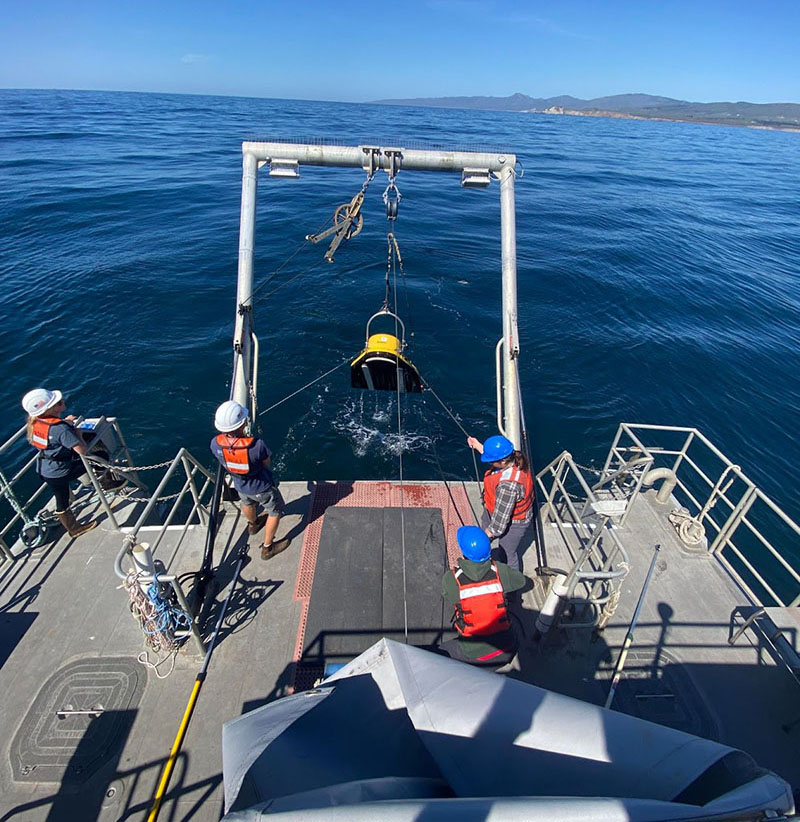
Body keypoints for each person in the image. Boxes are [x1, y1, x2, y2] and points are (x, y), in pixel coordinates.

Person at [21, 387, 124, 538]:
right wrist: (78, 434)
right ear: (50, 409)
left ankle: (74, 529)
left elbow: (52, 434)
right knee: (101, 456)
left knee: (61, 499)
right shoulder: (61, 429)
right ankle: (107, 484)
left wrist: (65, 422)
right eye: (58, 402)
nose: (62, 402)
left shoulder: (36, 423)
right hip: (62, 471)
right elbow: (82, 450)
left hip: (46, 469)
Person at [210, 400, 290, 561]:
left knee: (247, 503)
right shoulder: (257, 446)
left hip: (240, 486)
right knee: (275, 512)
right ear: (242, 424)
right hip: (261, 487)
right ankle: (268, 548)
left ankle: (253, 525)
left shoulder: (215, 444)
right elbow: (266, 463)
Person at [440, 525, 527, 666]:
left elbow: (448, 596)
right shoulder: (500, 570)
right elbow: (521, 581)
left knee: (437, 653)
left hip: (473, 655)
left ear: (464, 552)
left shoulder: (451, 578)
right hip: (508, 647)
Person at [467, 433, 534, 572]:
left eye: (491, 461)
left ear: (503, 461)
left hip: (514, 523)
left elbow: (498, 525)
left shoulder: (508, 486)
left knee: (507, 554)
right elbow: (496, 456)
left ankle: (512, 587)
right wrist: (477, 445)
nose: (490, 463)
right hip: (493, 510)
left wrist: (483, 538)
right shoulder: (513, 458)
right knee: (487, 536)